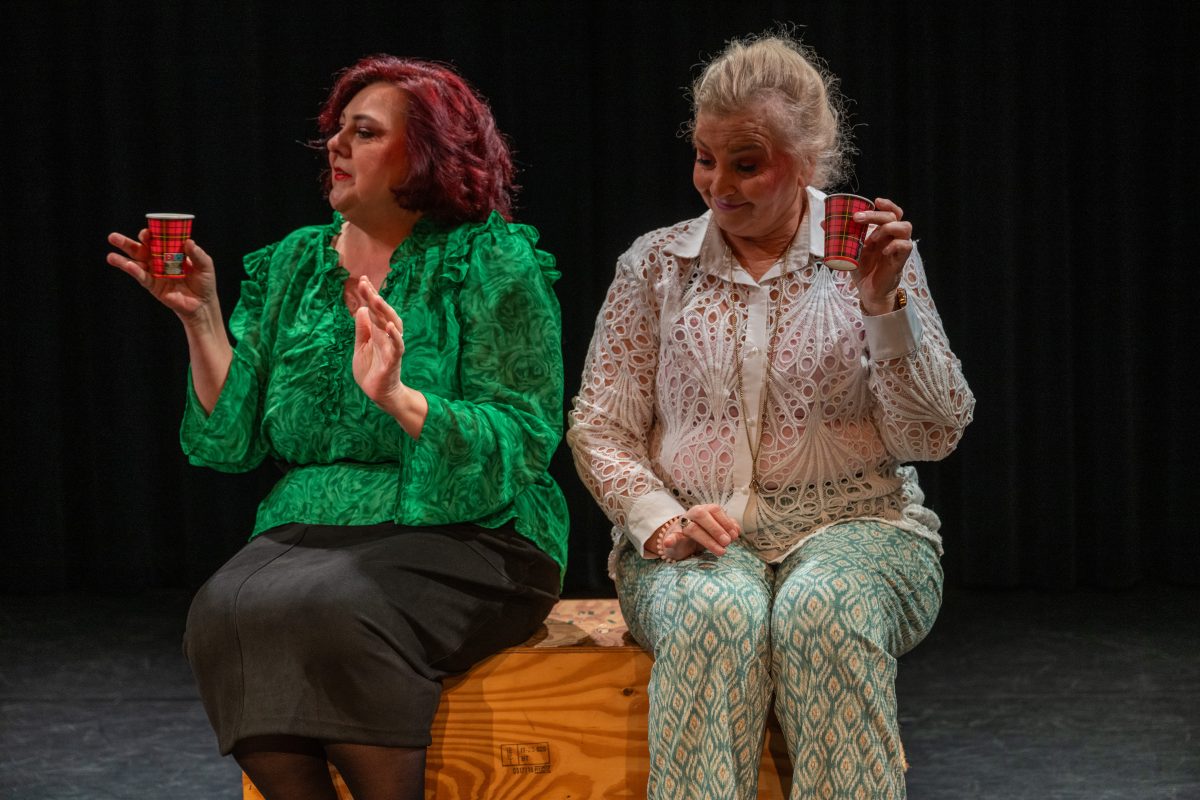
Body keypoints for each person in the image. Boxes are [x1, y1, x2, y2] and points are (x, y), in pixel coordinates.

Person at [106, 55, 568, 800]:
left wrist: (398, 397)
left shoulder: (490, 259)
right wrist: (202, 319)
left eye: (365, 132)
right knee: (222, 611)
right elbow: (233, 439)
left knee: (334, 607)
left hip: (473, 527)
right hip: (310, 526)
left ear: (425, 154)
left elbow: (523, 436)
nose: (336, 145)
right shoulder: (295, 262)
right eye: (337, 130)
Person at [567, 31, 974, 800]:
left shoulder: (870, 256)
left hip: (862, 529)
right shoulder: (656, 266)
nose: (718, 185)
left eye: (746, 164)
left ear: (807, 160)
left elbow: (933, 434)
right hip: (698, 543)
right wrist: (661, 521)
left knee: (825, 610)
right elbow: (602, 426)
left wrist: (882, 306)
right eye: (704, 159)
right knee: (713, 613)